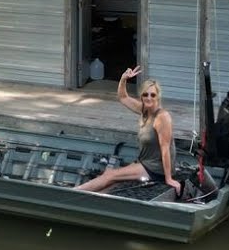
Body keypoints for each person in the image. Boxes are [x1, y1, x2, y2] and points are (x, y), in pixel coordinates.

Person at [76, 65, 181, 196]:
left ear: (158, 97)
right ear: (141, 97)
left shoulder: (162, 117)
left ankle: (72, 193)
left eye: (153, 95)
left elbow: (166, 150)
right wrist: (123, 79)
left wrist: (169, 179)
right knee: (113, 181)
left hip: (155, 169)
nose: (149, 98)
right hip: (144, 163)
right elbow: (123, 97)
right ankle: (89, 199)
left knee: (110, 174)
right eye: (145, 95)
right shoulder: (144, 110)